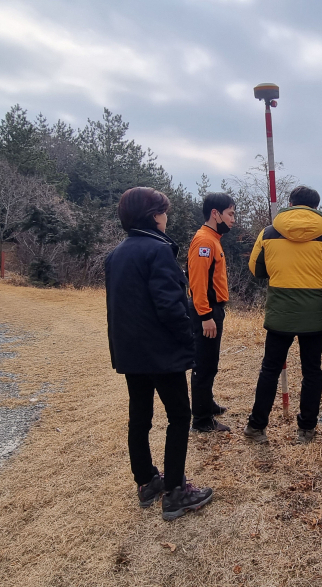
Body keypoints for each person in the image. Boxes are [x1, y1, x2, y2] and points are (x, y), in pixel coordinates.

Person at [105, 187, 213, 521]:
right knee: (180, 416)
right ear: (154, 216)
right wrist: (187, 342)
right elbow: (170, 307)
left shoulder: (115, 254)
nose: (167, 217)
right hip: (161, 353)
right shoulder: (158, 251)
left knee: (140, 417)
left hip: (130, 352)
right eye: (164, 212)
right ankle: (176, 491)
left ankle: (147, 482)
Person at [244, 186, 322, 444]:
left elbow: (256, 269)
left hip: (281, 312)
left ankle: (256, 427)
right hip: (314, 315)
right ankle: (307, 429)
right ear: (316, 208)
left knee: (270, 369)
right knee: (312, 371)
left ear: (290, 204)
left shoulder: (268, 233)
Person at [187, 192, 236, 432]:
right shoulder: (205, 241)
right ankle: (202, 420)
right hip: (206, 311)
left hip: (213, 309)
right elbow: (197, 282)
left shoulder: (213, 238)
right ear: (215, 214)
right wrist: (206, 316)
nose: (233, 219)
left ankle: (207, 404)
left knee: (210, 362)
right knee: (204, 364)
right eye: (230, 214)